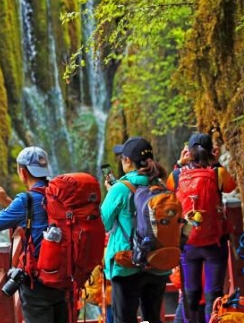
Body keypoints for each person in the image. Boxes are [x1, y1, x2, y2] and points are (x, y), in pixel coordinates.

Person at [0, 146, 68, 323]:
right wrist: (6, 200)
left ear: (22, 172)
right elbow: (37, 217)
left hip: (38, 283)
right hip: (62, 278)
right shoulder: (58, 194)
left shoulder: (26, 200)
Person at [165, 133, 237, 323]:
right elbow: (231, 187)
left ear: (188, 152)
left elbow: (169, 190)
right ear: (210, 151)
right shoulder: (216, 173)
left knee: (190, 294)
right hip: (214, 242)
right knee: (214, 295)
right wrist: (216, 162)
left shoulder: (177, 175)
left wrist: (179, 163)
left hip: (188, 244)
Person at [101, 137, 170, 323]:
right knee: (152, 317)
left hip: (127, 262)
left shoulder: (120, 189)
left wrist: (111, 193)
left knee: (124, 319)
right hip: (157, 261)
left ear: (127, 161)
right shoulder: (161, 185)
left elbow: (104, 224)